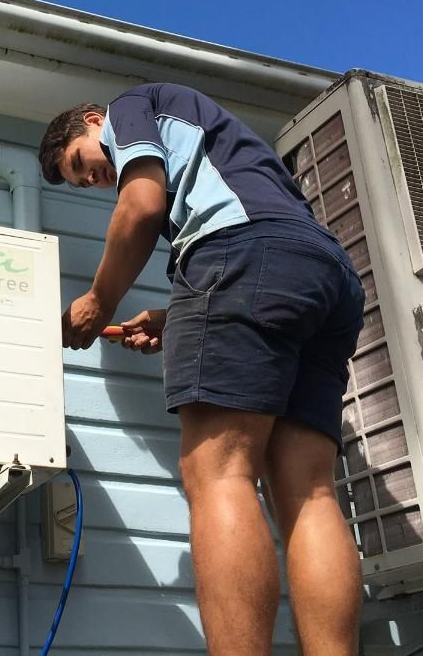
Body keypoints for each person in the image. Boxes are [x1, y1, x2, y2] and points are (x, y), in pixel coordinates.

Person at [37, 83, 365, 656]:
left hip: (242, 252)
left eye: (81, 163)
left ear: (93, 120)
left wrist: (97, 302)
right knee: (309, 493)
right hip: (325, 274)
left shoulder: (131, 108)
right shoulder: (220, 147)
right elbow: (270, 252)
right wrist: (175, 315)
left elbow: (142, 205)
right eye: (81, 182)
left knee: (219, 474)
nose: (92, 180)